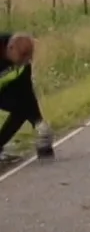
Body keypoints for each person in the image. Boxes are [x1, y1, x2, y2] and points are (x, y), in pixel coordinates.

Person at [0, 33, 54, 163]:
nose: (24, 62)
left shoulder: (22, 59)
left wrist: (38, 122)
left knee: (22, 108)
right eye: (22, 58)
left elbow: (26, 90)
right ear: (10, 48)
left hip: (4, 88)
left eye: (28, 59)